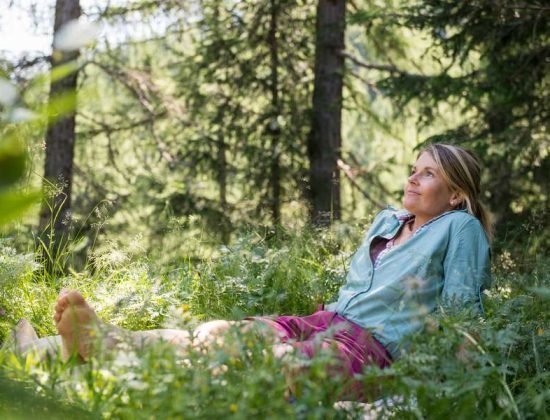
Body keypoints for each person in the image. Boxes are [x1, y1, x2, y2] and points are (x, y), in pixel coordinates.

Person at [13, 143, 492, 400]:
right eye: (413, 168)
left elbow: (461, 311)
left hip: (371, 344)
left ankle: (89, 357)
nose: (412, 177)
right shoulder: (390, 221)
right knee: (218, 335)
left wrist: (445, 384)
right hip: (327, 320)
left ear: (455, 194)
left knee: (277, 368)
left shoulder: (459, 227)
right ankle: (92, 343)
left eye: (427, 173)